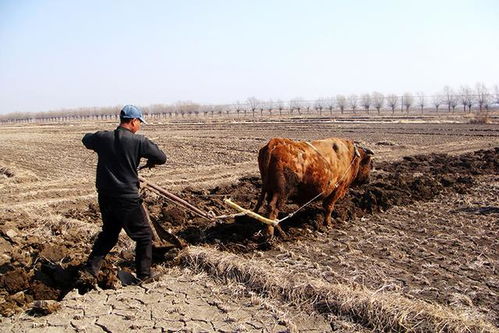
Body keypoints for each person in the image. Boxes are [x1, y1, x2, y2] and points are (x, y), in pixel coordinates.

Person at [82, 104, 167, 281]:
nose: (140, 126)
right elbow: (161, 157)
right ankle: (144, 275)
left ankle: (89, 271)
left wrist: (99, 139)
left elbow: (85, 139)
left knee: (109, 233)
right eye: (139, 122)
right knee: (144, 236)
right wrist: (149, 158)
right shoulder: (139, 141)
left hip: (105, 196)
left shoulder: (103, 137)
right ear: (133, 121)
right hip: (126, 197)